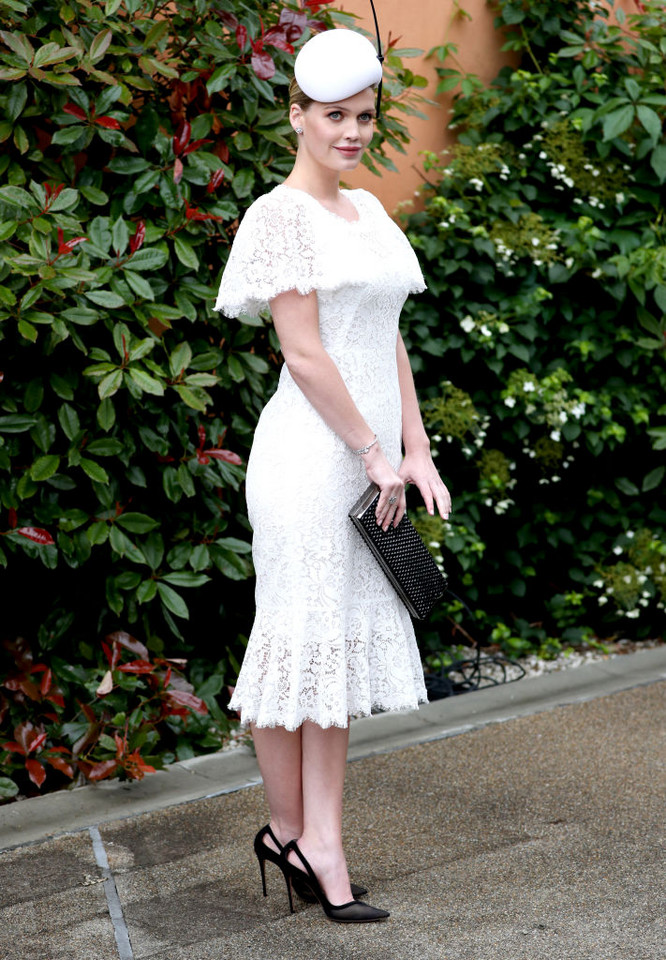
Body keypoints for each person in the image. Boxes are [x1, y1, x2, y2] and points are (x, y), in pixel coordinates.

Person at [214, 25, 451, 923]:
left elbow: (384, 336)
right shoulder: (279, 216)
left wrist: (416, 449)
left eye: (363, 116)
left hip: (372, 460)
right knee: (298, 642)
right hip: (312, 460)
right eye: (334, 117)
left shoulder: (373, 215)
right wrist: (371, 453)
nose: (352, 132)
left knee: (332, 653)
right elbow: (306, 356)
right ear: (298, 118)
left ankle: (313, 838)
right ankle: (299, 834)